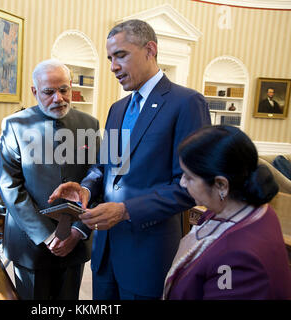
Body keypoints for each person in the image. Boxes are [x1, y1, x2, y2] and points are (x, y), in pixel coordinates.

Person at [48, 19, 211, 299]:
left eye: (120, 55)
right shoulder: (118, 108)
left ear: (150, 50)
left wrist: (125, 210)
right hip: (105, 253)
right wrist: (85, 188)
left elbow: (189, 188)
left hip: (147, 256)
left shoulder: (187, 103)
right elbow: (105, 167)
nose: (113, 66)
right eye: (110, 58)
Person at [0, 59, 99, 300]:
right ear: (34, 92)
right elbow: (9, 185)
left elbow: (97, 176)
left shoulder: (90, 124)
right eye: (49, 92)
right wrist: (47, 235)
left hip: (75, 240)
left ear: (71, 86)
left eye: (63, 89)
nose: (58, 98)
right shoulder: (14, 126)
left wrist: (77, 231)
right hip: (30, 241)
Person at [163, 125, 291, 299]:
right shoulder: (245, 208)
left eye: (189, 177)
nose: (182, 183)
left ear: (221, 185)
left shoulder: (239, 259)